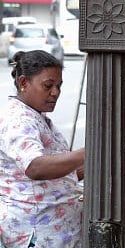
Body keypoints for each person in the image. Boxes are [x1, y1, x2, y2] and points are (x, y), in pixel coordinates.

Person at [0, 50, 84, 247]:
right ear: (23, 83)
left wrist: (95, 161)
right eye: (48, 86)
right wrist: (88, 152)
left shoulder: (38, 117)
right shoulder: (17, 119)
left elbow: (61, 173)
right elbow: (36, 167)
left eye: (58, 86)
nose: (55, 92)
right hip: (34, 232)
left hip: (58, 229)